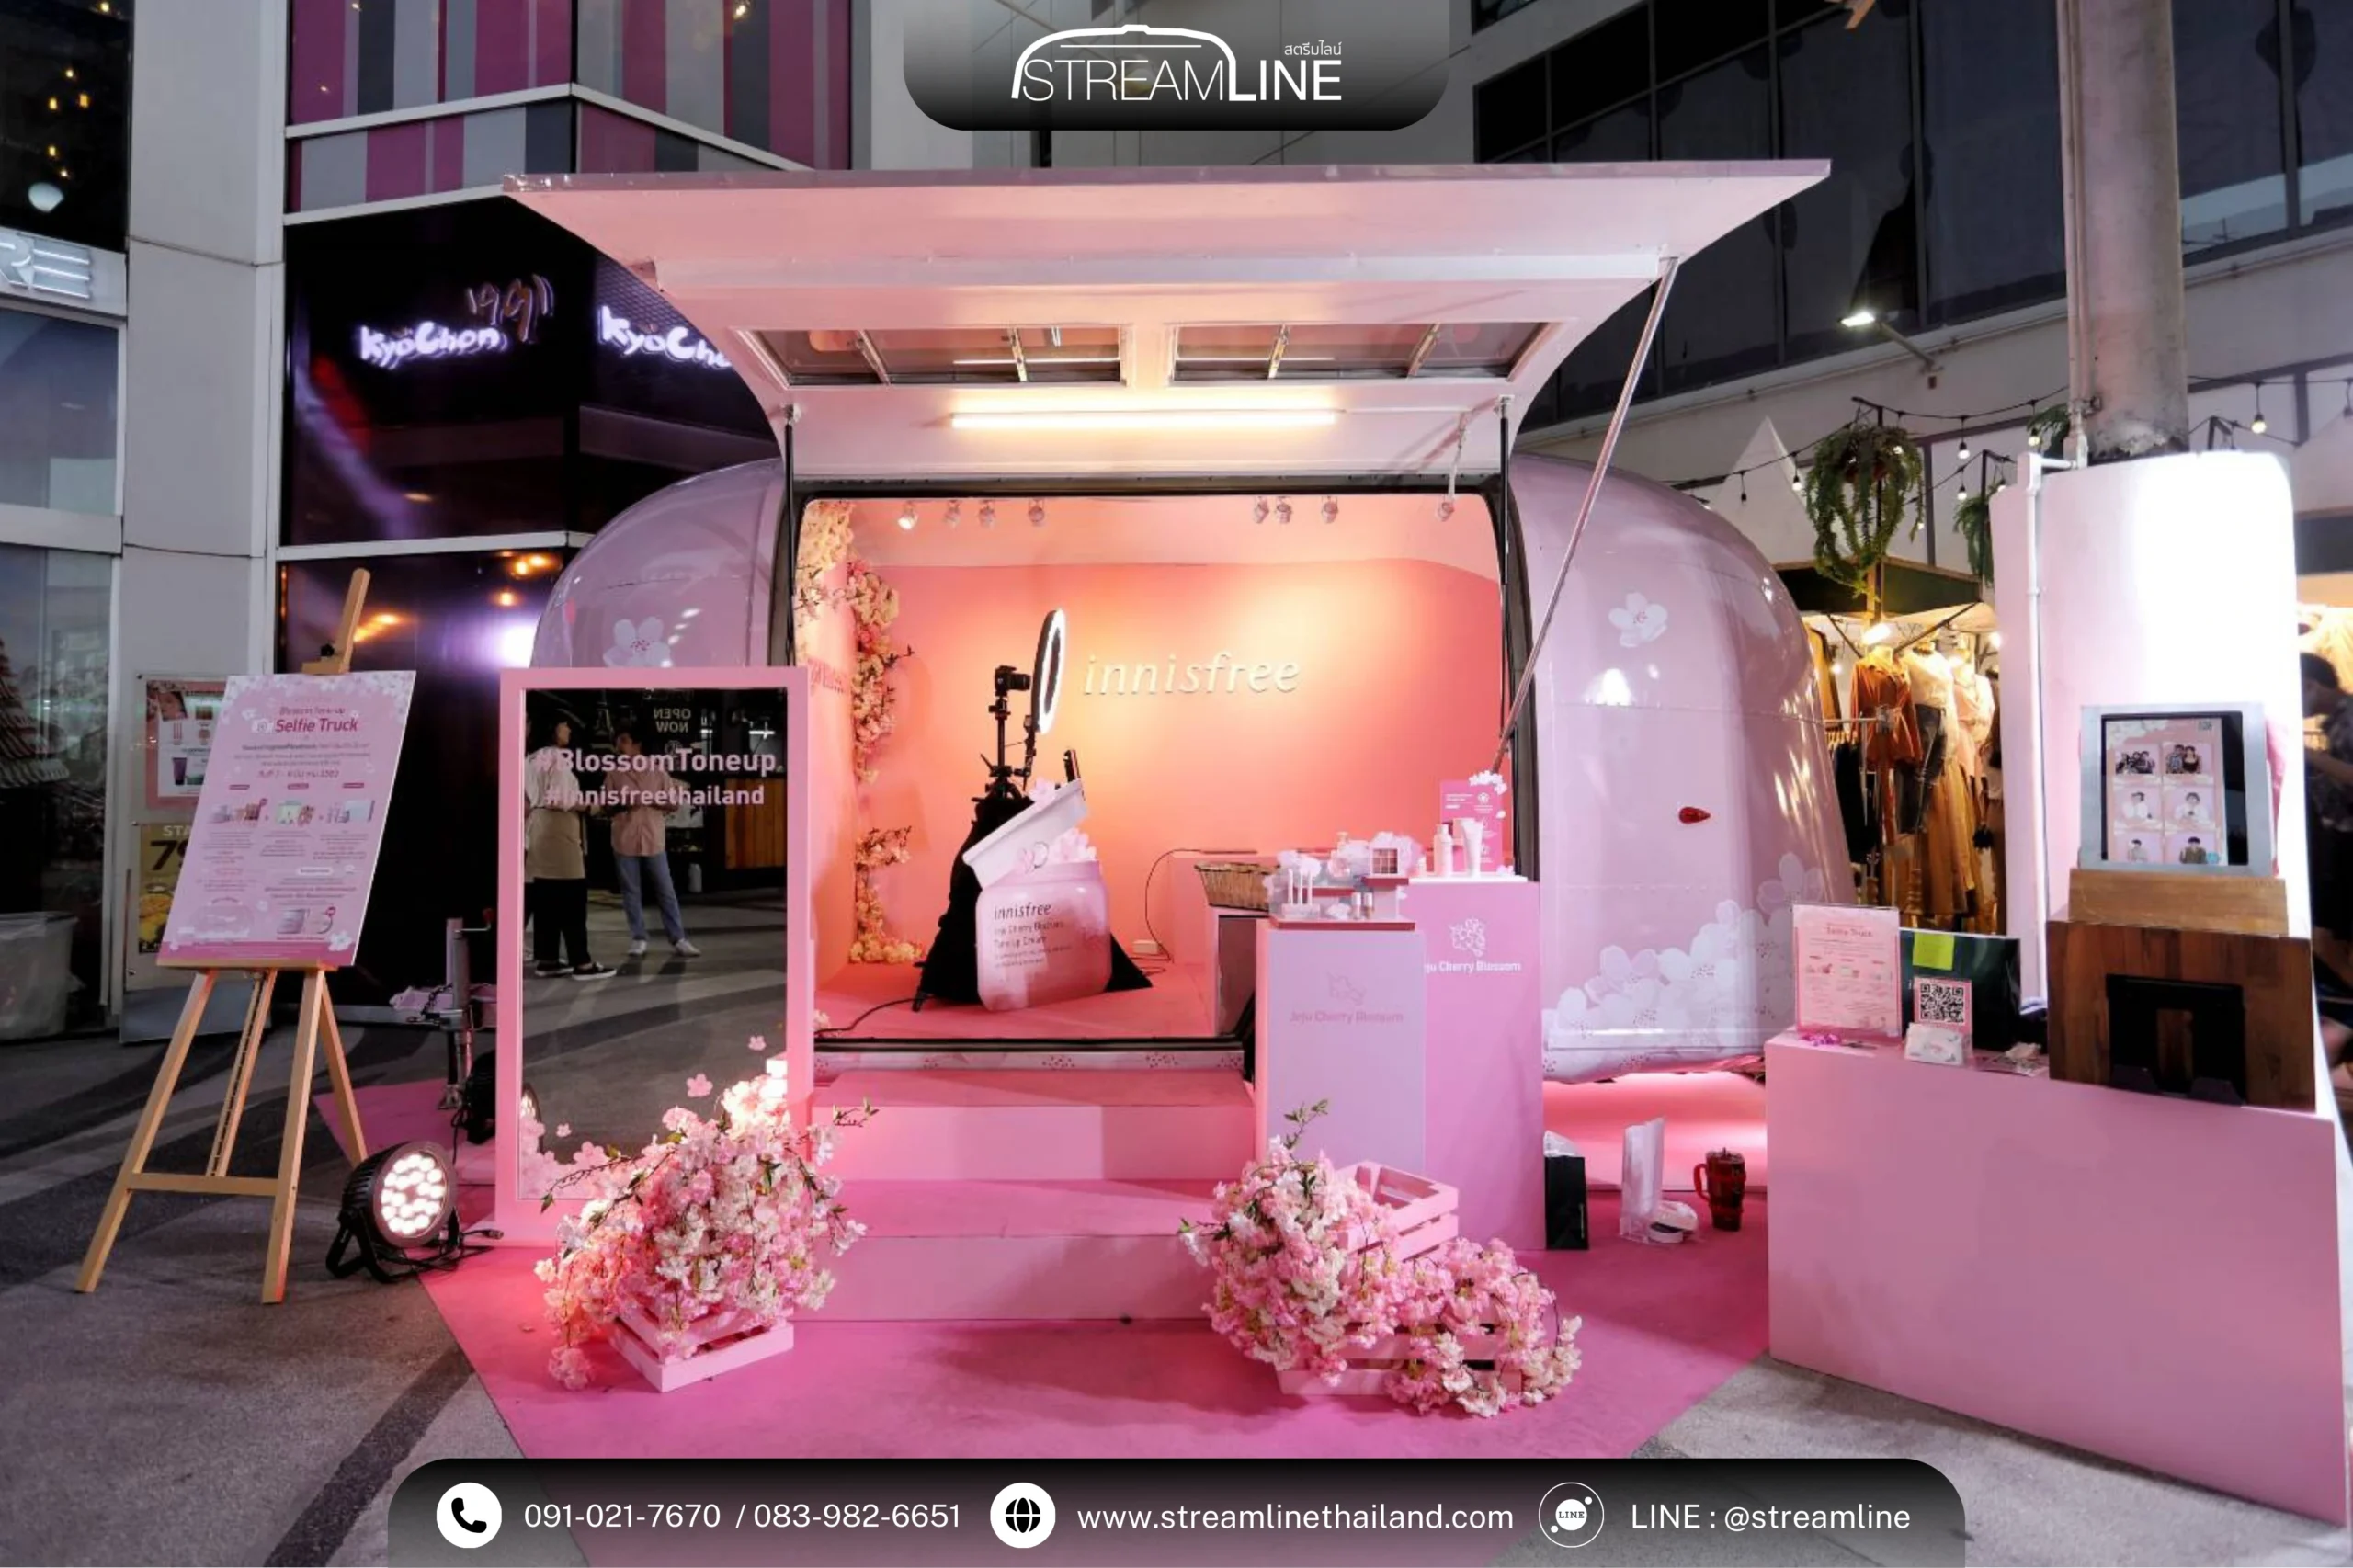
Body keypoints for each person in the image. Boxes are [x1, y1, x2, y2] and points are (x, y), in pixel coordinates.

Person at [525, 710, 613, 980]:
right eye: (564, 726)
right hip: (559, 830)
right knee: (573, 897)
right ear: (553, 729)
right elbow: (561, 799)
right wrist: (592, 805)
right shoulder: (556, 757)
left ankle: (548, 958)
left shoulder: (531, 758)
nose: (569, 731)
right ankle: (582, 962)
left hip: (538, 827)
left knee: (546, 898)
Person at [609, 723, 699, 960]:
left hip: (653, 838)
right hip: (625, 838)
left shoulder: (658, 772)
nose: (619, 746)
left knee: (666, 890)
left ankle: (678, 938)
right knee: (631, 891)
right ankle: (638, 938)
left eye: (624, 740)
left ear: (636, 744)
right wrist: (624, 804)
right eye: (618, 741)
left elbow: (673, 803)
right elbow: (606, 804)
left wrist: (652, 800)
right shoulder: (614, 773)